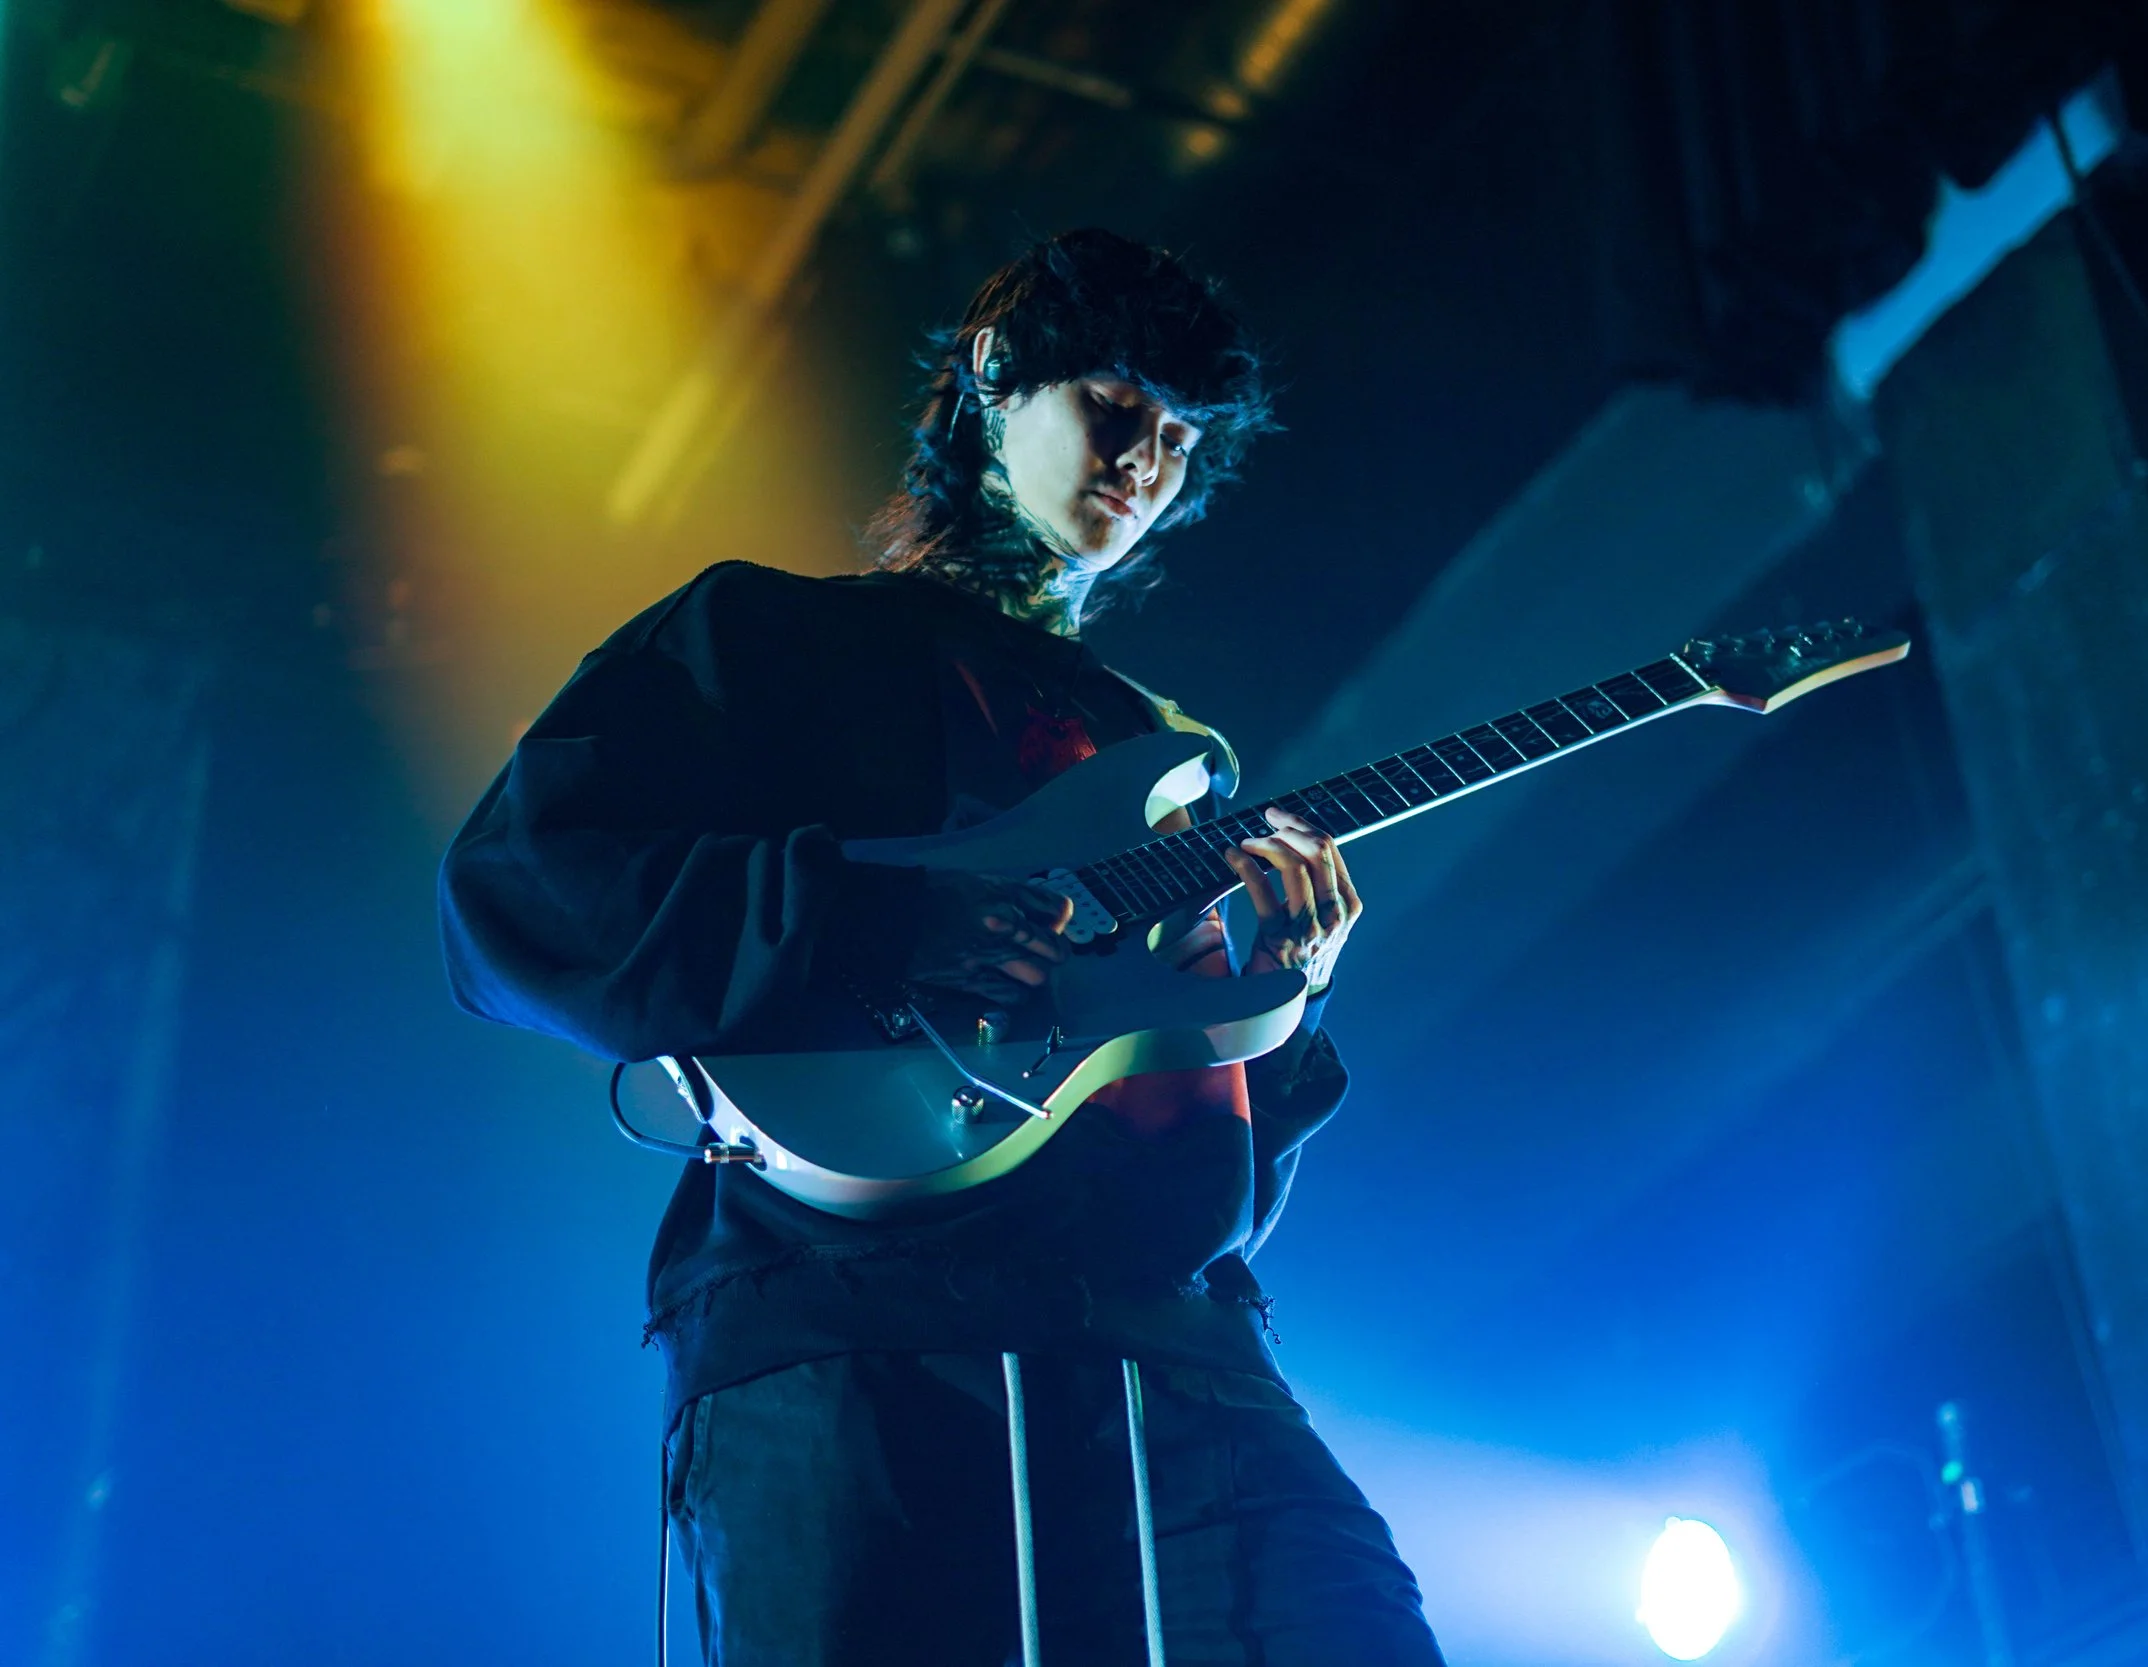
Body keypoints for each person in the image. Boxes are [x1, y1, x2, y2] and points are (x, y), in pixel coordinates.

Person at [437, 228, 1446, 1667]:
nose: (1145, 461)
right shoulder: (765, 637)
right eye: (1116, 403)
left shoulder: (1162, 751)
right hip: (855, 1325)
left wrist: (1288, 1001)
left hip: (1172, 1349)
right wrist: (879, 920)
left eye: (1179, 438)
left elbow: (1202, 1132)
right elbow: (515, 890)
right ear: (994, 373)